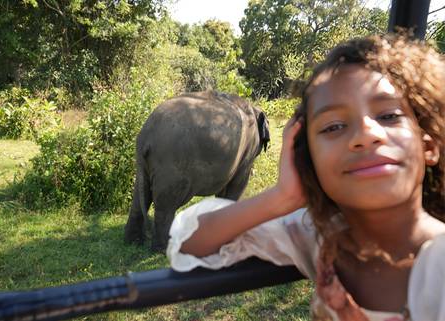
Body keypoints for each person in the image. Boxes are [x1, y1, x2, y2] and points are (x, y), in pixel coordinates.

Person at [166, 34, 445, 321]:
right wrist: (281, 197)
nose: (365, 134)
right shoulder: (321, 237)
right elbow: (189, 240)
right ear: (308, 158)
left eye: (389, 116)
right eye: (334, 126)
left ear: (428, 145)